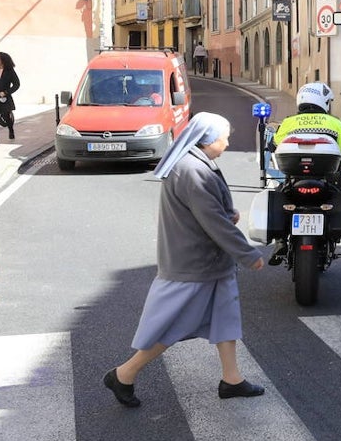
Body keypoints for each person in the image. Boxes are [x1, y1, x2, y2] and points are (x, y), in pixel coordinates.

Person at [103, 113, 267, 408]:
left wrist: (228, 216)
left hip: (209, 262)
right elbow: (213, 221)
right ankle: (124, 374)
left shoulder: (193, 163)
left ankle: (231, 379)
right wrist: (249, 254)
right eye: (224, 137)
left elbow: (207, 213)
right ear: (207, 140)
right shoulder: (193, 170)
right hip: (195, 264)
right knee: (173, 325)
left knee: (226, 318)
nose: (227, 143)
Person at [272, 82, 341, 296]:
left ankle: (281, 241)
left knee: (280, 198)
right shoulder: (334, 123)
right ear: (324, 102)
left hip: (294, 183)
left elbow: (274, 146)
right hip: (328, 185)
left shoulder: (289, 122)